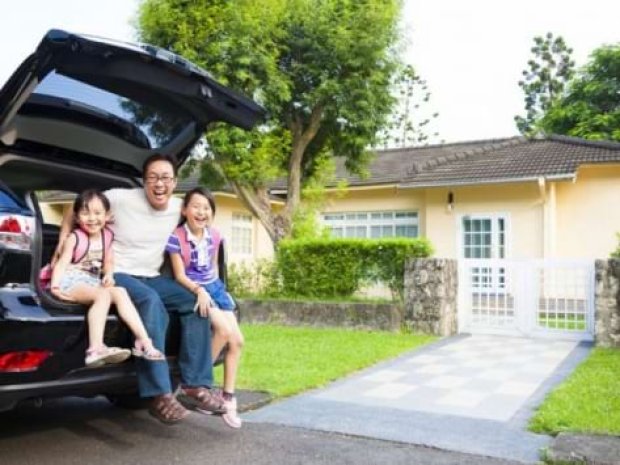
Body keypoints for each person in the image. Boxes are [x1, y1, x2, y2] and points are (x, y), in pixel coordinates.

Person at [55, 154, 226, 424]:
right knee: (150, 300)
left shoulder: (181, 207)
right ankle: (159, 393)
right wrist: (63, 244)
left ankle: (195, 384)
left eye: (166, 178)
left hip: (152, 275)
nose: (160, 184)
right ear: (144, 181)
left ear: (175, 182)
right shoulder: (120, 198)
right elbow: (72, 209)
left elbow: (203, 224)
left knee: (194, 302)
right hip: (118, 273)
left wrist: (205, 284)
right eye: (153, 178)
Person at [50, 190, 165, 367]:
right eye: (85, 213)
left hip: (91, 281)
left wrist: (109, 274)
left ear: (107, 215)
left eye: (97, 213)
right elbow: (62, 263)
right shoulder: (74, 238)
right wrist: (55, 287)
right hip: (71, 281)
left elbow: (109, 262)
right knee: (103, 295)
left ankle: (144, 342)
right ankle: (95, 349)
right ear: (77, 217)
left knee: (120, 291)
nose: (92, 218)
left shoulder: (107, 237)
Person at [166, 187, 244, 429]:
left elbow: (212, 267)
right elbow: (179, 275)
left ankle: (227, 396)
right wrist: (199, 291)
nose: (201, 212)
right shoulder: (176, 238)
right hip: (194, 288)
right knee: (222, 330)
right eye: (196, 206)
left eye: (207, 208)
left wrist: (219, 292)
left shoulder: (216, 236)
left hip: (215, 288)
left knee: (238, 341)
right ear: (185, 210)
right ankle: (195, 385)